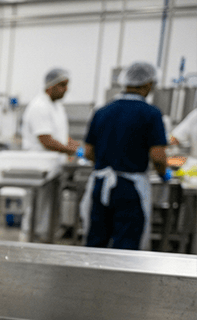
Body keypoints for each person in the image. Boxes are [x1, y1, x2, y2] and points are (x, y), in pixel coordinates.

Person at [80, 61, 169, 250]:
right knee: (126, 246)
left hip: (101, 183)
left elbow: (88, 152)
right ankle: (121, 281)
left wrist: (106, 163)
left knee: (96, 241)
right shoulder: (151, 114)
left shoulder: (102, 111)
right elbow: (159, 156)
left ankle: (89, 279)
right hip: (130, 190)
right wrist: (163, 174)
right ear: (148, 84)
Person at [20, 68, 80, 239]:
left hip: (52, 166)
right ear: (50, 86)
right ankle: (31, 238)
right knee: (37, 205)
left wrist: (76, 145)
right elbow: (46, 140)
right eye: (62, 85)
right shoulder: (40, 106)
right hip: (39, 166)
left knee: (48, 206)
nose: (66, 89)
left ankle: (44, 236)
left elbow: (60, 135)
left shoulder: (56, 107)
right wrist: (75, 151)